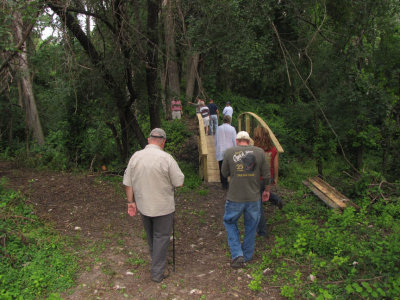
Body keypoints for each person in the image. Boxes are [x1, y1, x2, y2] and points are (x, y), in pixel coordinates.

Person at [123, 128, 184, 283]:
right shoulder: (166, 158)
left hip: (144, 206)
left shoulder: (136, 157)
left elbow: (127, 182)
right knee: (161, 237)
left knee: (151, 237)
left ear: (149, 140)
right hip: (163, 207)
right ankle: (157, 273)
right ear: (163, 142)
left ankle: (156, 262)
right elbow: (179, 182)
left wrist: (131, 202)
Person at [221, 131, 270, 268]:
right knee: (251, 226)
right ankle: (247, 255)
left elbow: (224, 173)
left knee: (230, 222)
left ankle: (237, 254)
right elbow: (266, 175)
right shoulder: (260, 152)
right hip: (253, 197)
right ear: (249, 141)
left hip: (235, 197)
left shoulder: (229, 152)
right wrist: (266, 190)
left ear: (237, 141)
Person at [253, 126, 284, 238]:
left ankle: (262, 232)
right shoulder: (273, 150)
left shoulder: (254, 149)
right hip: (268, 178)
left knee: (258, 206)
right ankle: (277, 200)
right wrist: (275, 178)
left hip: (257, 179)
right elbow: (275, 166)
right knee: (264, 192)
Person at [215, 115, 236, 190]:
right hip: (230, 150)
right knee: (231, 167)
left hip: (220, 149)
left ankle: (224, 184)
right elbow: (234, 140)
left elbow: (216, 139)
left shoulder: (218, 128)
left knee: (222, 167)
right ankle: (232, 182)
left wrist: (216, 146)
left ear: (223, 120)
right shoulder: (232, 129)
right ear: (229, 120)